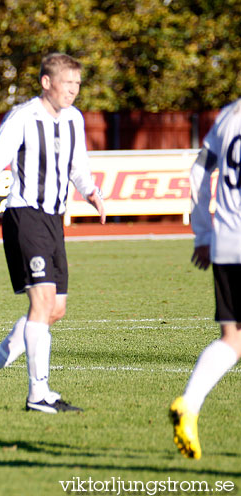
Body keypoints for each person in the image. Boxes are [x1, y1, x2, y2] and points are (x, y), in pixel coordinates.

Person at [0, 53, 106, 414]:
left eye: (77, 84)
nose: (73, 91)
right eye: (67, 83)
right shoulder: (23, 118)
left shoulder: (74, 119)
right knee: (41, 303)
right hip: (25, 215)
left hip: (54, 220)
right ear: (46, 82)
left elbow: (78, 167)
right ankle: (38, 394)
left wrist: (91, 192)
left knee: (55, 309)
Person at [169, 98, 241, 459]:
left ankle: (190, 404)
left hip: (228, 242)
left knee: (233, 338)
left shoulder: (229, 116)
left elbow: (199, 171)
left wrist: (203, 233)